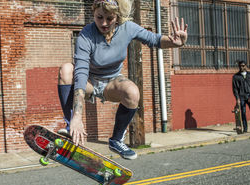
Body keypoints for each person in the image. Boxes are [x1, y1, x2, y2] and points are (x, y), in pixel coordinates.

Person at [57, 0, 188, 159]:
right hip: (89, 82)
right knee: (66, 70)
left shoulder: (128, 28)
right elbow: (81, 73)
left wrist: (175, 43)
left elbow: (153, 39)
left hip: (111, 82)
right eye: (99, 17)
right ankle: (71, 125)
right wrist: (77, 117)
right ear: (94, 14)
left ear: (117, 17)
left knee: (133, 92)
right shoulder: (86, 34)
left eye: (109, 19)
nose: (104, 23)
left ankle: (116, 140)